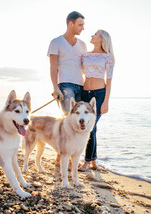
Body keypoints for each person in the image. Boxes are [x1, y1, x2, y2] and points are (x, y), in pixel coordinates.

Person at [47, 11, 87, 166]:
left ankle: (72, 156)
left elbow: (84, 67)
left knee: (79, 122)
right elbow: (53, 67)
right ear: (71, 24)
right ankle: (60, 157)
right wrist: (55, 87)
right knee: (67, 120)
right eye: (80, 24)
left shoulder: (82, 44)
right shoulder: (56, 42)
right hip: (65, 85)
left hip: (81, 85)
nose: (83, 28)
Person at [78, 29, 115, 171]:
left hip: (99, 94)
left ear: (102, 39)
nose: (92, 35)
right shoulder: (85, 55)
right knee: (92, 128)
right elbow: (79, 71)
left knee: (90, 127)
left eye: (95, 34)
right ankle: (93, 161)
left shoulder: (107, 57)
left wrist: (106, 101)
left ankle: (87, 162)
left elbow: (109, 80)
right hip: (84, 93)